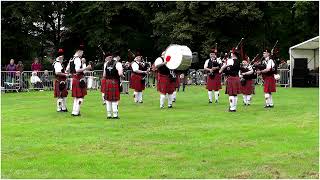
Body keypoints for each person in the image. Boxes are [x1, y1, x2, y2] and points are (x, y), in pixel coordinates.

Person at [66, 45, 92, 116]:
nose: (82, 54)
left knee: (76, 97)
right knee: (81, 96)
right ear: (79, 51)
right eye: (82, 52)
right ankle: (76, 112)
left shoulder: (71, 59)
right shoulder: (77, 59)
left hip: (74, 78)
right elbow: (77, 70)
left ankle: (74, 111)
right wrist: (86, 68)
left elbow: (67, 69)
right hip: (78, 79)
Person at [103, 52, 124, 119]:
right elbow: (120, 73)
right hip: (114, 82)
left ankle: (109, 115)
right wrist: (123, 76)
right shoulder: (118, 63)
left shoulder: (106, 64)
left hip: (107, 82)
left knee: (108, 99)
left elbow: (104, 75)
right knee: (114, 99)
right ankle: (115, 115)